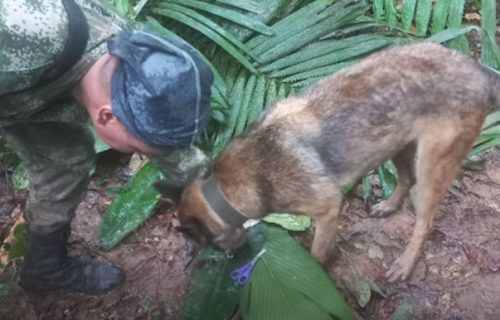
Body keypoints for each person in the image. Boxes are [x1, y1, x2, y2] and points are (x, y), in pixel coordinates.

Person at [0, 0, 213, 295]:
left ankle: (44, 269)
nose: (151, 153)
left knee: (65, 160)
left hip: (31, 93)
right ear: (106, 116)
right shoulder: (19, 36)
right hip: (18, 74)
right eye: (139, 148)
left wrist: (220, 202)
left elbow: (166, 145)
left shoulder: (135, 61)